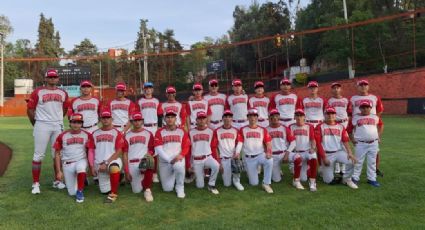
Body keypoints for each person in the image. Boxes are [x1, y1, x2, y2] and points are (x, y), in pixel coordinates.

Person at [27, 69, 69, 194]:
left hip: (57, 125)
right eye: (50, 77)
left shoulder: (63, 93)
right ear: (45, 79)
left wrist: (58, 120)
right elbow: (30, 110)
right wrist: (36, 124)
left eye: (54, 77)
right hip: (42, 124)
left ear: (57, 79)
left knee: (57, 154)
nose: (52, 79)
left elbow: (65, 109)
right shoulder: (38, 92)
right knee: (38, 155)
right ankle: (35, 183)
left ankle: (58, 180)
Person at [53, 113, 94, 203]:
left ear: (82, 124)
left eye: (79, 122)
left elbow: (90, 152)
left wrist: (91, 167)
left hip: (81, 160)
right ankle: (82, 180)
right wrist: (59, 171)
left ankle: (80, 191)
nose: (76, 125)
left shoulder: (87, 135)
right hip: (67, 164)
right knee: (72, 193)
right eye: (74, 122)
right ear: (70, 123)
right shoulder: (62, 135)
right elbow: (57, 154)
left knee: (80, 168)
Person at [315, 107, 358, 189]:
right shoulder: (320, 126)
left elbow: (345, 141)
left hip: (338, 152)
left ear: (335, 115)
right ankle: (323, 171)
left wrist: (350, 153)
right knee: (328, 181)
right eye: (328, 114)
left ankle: (347, 179)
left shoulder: (341, 127)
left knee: (351, 161)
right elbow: (318, 144)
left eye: (332, 113)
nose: (330, 115)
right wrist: (324, 158)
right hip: (326, 154)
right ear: (325, 115)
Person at [349, 79, 384, 177]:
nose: (363, 87)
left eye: (365, 85)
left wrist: (372, 119)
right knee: (359, 147)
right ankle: (355, 172)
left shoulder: (374, 97)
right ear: (357, 87)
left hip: (371, 124)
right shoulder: (353, 98)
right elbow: (349, 112)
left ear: (368, 86)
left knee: (375, 150)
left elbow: (380, 110)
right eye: (361, 85)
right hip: (358, 123)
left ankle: (375, 170)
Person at [267, 109, 308, 190]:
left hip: (283, 153)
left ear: (279, 117)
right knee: (276, 180)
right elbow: (263, 144)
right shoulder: (265, 130)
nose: (275, 118)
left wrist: (287, 153)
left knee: (297, 157)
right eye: (272, 116)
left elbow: (293, 142)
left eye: (276, 116)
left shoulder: (284, 128)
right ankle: (275, 172)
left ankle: (296, 180)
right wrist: (267, 153)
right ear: (269, 118)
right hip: (273, 155)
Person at [154, 108, 191, 199]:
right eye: (168, 117)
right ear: (164, 119)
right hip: (165, 161)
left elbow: (186, 146)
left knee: (178, 166)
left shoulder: (182, 131)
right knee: (167, 189)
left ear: (176, 119)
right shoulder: (159, 132)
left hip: (177, 158)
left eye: (172, 117)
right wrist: (170, 160)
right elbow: (158, 149)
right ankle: (175, 174)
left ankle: (180, 186)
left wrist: (181, 155)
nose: (170, 119)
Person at [91, 110, 125, 203]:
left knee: (114, 168)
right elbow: (91, 150)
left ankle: (113, 194)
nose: (105, 120)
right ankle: (117, 177)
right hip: (99, 164)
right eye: (103, 118)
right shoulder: (94, 133)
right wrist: (92, 166)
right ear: (100, 119)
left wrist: (106, 162)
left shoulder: (116, 133)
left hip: (112, 161)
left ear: (112, 119)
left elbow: (119, 151)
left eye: (108, 118)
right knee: (104, 191)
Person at [348, 101, 384, 187]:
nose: (365, 109)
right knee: (358, 161)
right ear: (360, 108)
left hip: (373, 143)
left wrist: (378, 136)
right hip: (361, 143)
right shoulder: (355, 117)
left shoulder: (375, 117)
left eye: (367, 107)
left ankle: (372, 179)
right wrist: (352, 140)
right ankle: (355, 178)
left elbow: (381, 125)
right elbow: (349, 130)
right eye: (363, 107)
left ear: (370, 108)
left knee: (372, 162)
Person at [122, 112, 155, 201]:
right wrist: (126, 171)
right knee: (136, 191)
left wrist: (148, 155)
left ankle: (148, 190)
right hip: (132, 163)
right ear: (131, 122)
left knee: (149, 161)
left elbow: (151, 149)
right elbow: (125, 154)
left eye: (139, 120)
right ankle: (145, 182)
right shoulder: (126, 136)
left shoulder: (148, 134)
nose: (137, 122)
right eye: (135, 120)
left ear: (142, 121)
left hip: (143, 161)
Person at [239, 108, 274, 193]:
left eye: (254, 116)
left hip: (260, 155)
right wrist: (237, 154)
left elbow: (268, 143)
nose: (252, 118)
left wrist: (269, 152)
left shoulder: (262, 129)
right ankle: (250, 170)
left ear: (257, 117)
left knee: (269, 160)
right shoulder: (242, 129)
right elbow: (240, 142)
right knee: (254, 183)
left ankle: (266, 183)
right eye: (250, 116)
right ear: (247, 118)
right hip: (249, 158)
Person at [211, 109, 244, 191]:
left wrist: (237, 153)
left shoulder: (236, 130)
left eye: (229, 117)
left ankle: (236, 181)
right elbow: (214, 147)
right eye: (225, 117)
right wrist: (219, 162)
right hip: (224, 159)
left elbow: (240, 142)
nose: (227, 118)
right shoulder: (217, 131)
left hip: (234, 158)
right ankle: (231, 178)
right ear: (222, 119)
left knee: (237, 168)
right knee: (227, 184)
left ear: (232, 119)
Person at [137, 81, 163, 183]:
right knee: (143, 150)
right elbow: (137, 116)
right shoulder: (140, 101)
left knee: (155, 152)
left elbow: (160, 115)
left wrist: (159, 129)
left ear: (152, 89)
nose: (148, 90)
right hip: (143, 128)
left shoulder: (156, 101)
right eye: (146, 88)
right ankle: (144, 172)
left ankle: (155, 174)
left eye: (150, 88)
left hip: (153, 127)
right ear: (144, 90)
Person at [189, 111, 220, 194]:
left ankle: (211, 184)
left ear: (206, 119)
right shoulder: (190, 132)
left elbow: (213, 147)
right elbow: (188, 149)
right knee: (200, 186)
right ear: (196, 120)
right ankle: (198, 174)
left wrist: (217, 159)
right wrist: (189, 165)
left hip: (207, 157)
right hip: (196, 160)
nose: (202, 120)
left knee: (216, 165)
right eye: (199, 118)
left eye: (203, 118)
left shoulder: (211, 131)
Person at [289, 109, 319, 191]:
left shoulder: (309, 126)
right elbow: (289, 141)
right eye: (297, 115)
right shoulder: (290, 126)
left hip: (307, 151)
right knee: (303, 179)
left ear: (304, 117)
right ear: (294, 117)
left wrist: (313, 148)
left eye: (301, 115)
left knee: (313, 156)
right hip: (296, 152)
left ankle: (313, 182)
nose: (299, 117)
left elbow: (313, 139)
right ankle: (296, 178)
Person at [326, 82, 350, 174]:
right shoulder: (330, 101)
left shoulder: (346, 100)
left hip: (344, 123)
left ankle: (343, 165)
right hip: (334, 124)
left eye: (338, 88)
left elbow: (349, 112)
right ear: (331, 90)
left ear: (341, 89)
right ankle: (336, 166)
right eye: (334, 88)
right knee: (335, 144)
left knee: (344, 145)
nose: (336, 89)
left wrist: (348, 124)